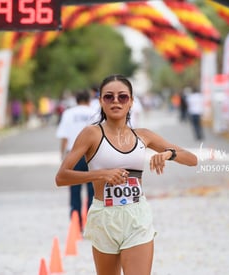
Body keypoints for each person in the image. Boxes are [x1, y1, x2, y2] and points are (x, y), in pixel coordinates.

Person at [55, 74, 198, 275]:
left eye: (122, 97)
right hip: (104, 215)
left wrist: (168, 154)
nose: (115, 101)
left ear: (131, 102)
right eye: (109, 97)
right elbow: (61, 177)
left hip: (137, 216)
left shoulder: (144, 135)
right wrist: (100, 175)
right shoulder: (91, 134)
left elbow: (192, 159)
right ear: (100, 102)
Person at [55, 90, 95, 230]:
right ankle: (91, 224)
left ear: (76, 100)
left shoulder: (68, 113)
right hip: (91, 155)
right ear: (89, 100)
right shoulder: (94, 112)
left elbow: (64, 136)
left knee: (74, 190)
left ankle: (76, 223)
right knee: (93, 190)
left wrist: (62, 155)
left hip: (73, 154)